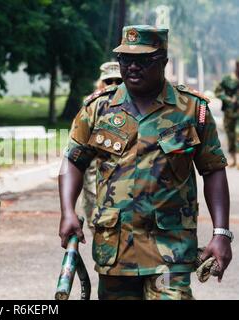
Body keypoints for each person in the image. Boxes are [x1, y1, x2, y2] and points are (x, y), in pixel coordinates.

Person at [59, 25, 233, 300]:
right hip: (115, 253)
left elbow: (213, 170)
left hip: (169, 253)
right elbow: (73, 162)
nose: (132, 67)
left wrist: (221, 232)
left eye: (143, 60)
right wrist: (67, 211)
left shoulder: (192, 110)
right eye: (125, 60)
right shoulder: (98, 109)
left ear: (163, 60)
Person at [81, 62, 122, 232]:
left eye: (118, 81)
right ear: (100, 83)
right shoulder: (93, 106)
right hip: (94, 179)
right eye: (108, 81)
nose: (113, 86)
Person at [215, 59, 239, 167]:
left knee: (238, 133)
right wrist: (228, 99)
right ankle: (233, 158)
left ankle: (237, 159)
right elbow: (218, 91)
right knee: (230, 135)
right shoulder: (228, 79)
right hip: (229, 112)